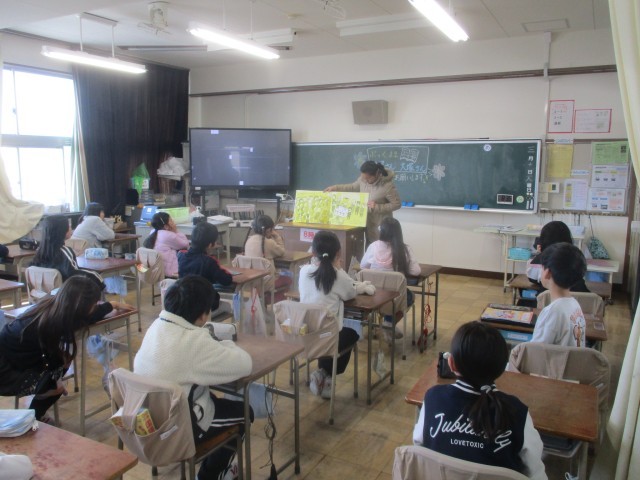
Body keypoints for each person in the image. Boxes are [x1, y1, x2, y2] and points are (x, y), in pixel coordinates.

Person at [134, 275, 252, 480]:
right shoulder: (193, 341)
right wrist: (224, 343)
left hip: (149, 423)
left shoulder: (156, 326)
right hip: (179, 429)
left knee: (210, 398)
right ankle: (208, 475)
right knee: (245, 412)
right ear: (203, 316)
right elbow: (245, 364)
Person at [413, 321, 547, 480]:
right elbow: (535, 471)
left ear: (451, 364)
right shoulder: (518, 412)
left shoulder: (433, 398)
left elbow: (419, 448)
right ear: (502, 368)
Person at [0, 276, 133, 421]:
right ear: (81, 306)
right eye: (94, 304)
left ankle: (36, 412)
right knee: (57, 384)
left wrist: (111, 304)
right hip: (7, 371)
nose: (95, 307)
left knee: (62, 363)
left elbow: (85, 317)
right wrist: (51, 385)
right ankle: (33, 418)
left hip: (17, 356)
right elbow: (84, 319)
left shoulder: (53, 306)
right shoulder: (55, 323)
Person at [299, 231, 357, 398]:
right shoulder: (338, 275)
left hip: (305, 335)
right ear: (338, 253)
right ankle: (325, 374)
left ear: (313, 252)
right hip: (327, 338)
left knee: (327, 332)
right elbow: (351, 293)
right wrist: (339, 268)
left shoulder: (304, 271)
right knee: (350, 334)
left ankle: (323, 374)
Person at [360, 216, 420, 340]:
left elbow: (363, 266)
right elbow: (416, 271)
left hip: (373, 297)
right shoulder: (404, 249)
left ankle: (379, 323)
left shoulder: (373, 246)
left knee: (388, 293)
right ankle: (389, 322)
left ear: (381, 232)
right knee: (410, 296)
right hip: (394, 300)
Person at [325, 160, 401, 244]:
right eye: (363, 177)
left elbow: (397, 204)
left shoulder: (387, 186)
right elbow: (353, 187)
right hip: (367, 222)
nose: (364, 180)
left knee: (381, 247)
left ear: (376, 174)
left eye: (367, 178)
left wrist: (377, 207)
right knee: (369, 247)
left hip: (380, 225)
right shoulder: (363, 179)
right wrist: (335, 188)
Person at [531, 242, 587, 347]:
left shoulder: (552, 312)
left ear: (547, 273)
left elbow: (535, 350)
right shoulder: (575, 304)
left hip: (555, 358)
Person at [31, 215, 104, 289]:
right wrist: (97, 277)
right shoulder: (64, 251)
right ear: (62, 231)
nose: (70, 228)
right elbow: (74, 272)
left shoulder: (40, 252)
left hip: (44, 294)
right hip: (66, 293)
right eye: (69, 226)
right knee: (95, 278)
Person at [526, 221, 589, 292]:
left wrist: (540, 254)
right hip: (581, 295)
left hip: (548, 296)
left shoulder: (543, 258)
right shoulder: (575, 257)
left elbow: (531, 278)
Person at [244, 214, 292, 300]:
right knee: (288, 278)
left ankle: (264, 301)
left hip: (251, 281)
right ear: (269, 230)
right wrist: (277, 236)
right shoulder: (268, 242)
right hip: (266, 282)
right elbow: (282, 252)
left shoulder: (249, 241)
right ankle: (277, 302)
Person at [178, 222, 233, 288]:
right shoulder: (209, 261)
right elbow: (227, 280)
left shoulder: (181, 255)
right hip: (203, 294)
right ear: (210, 245)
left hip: (184, 293)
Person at [143, 212, 189, 278]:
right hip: (168, 272)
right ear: (166, 226)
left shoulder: (153, 232)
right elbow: (185, 244)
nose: (174, 222)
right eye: (171, 220)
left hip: (156, 270)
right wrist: (176, 231)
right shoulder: (168, 235)